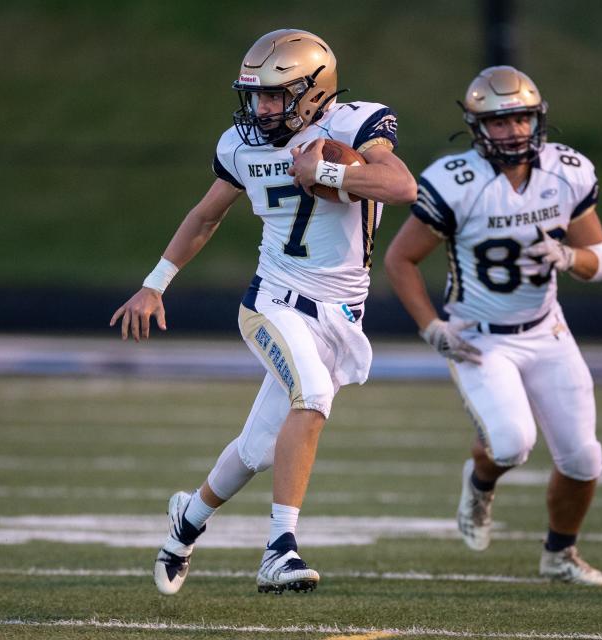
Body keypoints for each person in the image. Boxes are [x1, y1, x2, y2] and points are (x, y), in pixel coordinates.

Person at [110, 29, 416, 596]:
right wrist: (155, 285)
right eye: (257, 96)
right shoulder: (240, 144)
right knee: (313, 397)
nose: (263, 107)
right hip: (273, 302)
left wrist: (326, 172)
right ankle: (280, 549)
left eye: (277, 95)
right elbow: (205, 217)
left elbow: (401, 186)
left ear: (314, 91)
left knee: (256, 451)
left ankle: (187, 519)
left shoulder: (352, 125)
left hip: (340, 313)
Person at [384, 66, 602, 586]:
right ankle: (480, 482)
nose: (513, 130)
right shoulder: (455, 182)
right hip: (479, 338)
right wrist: (432, 327)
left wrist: (567, 255)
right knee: (512, 443)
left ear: (537, 119)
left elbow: (601, 260)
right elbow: (400, 260)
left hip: (547, 330)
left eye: (521, 117)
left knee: (584, 458)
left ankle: (559, 554)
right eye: (499, 121)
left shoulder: (568, 171)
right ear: (476, 127)